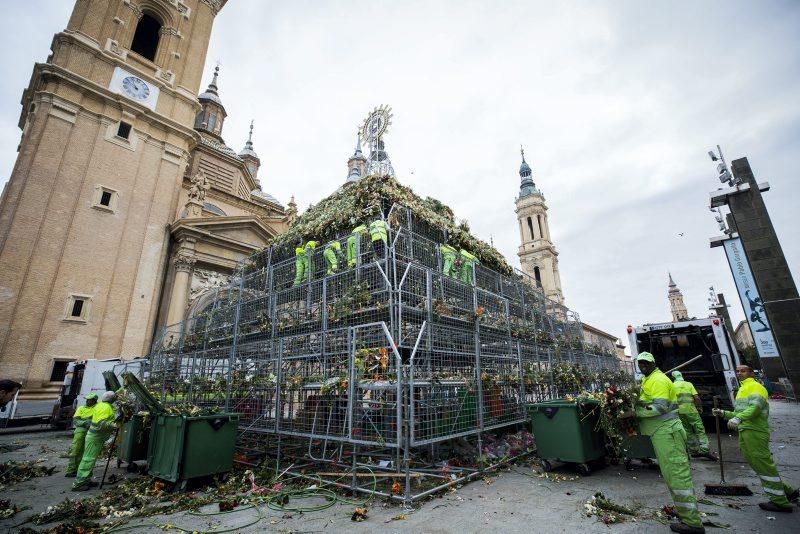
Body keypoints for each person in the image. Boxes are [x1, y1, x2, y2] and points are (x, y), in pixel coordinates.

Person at [630, 352, 704, 534]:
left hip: (667, 432)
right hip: (662, 432)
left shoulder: (659, 380)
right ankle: (685, 512)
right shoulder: (649, 379)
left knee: (676, 474)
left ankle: (693, 523)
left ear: (653, 362)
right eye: (640, 363)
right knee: (671, 474)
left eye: (646, 363)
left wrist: (634, 413)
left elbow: (659, 407)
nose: (643, 366)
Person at [712, 365, 798, 512]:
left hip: (755, 430)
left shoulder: (756, 387)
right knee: (759, 465)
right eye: (737, 371)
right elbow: (741, 411)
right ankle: (788, 491)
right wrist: (724, 413)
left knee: (763, 465)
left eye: (743, 371)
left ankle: (780, 502)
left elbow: (755, 408)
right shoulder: (742, 389)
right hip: (746, 430)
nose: (739, 373)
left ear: (751, 373)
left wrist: (738, 418)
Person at [72, 391, 118, 491]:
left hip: (95, 437)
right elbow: (100, 424)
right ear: (112, 399)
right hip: (95, 437)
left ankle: (86, 480)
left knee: (90, 459)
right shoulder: (105, 407)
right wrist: (114, 425)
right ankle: (78, 484)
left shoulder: (101, 405)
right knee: (88, 459)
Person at [671, 371, 714, 460]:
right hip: (691, 410)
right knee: (699, 429)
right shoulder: (688, 384)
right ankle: (704, 449)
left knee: (687, 431)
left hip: (679, 411)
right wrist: (699, 407)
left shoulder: (672, 385)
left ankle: (693, 451)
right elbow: (696, 398)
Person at [65, 393, 98, 477]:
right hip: (80, 431)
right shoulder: (81, 408)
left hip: (91, 432)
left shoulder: (97, 408)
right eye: (87, 399)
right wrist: (85, 422)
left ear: (94, 400)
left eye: (89, 400)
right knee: (75, 450)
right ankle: (71, 470)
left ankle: (80, 470)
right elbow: (76, 421)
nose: (87, 401)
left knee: (86, 452)